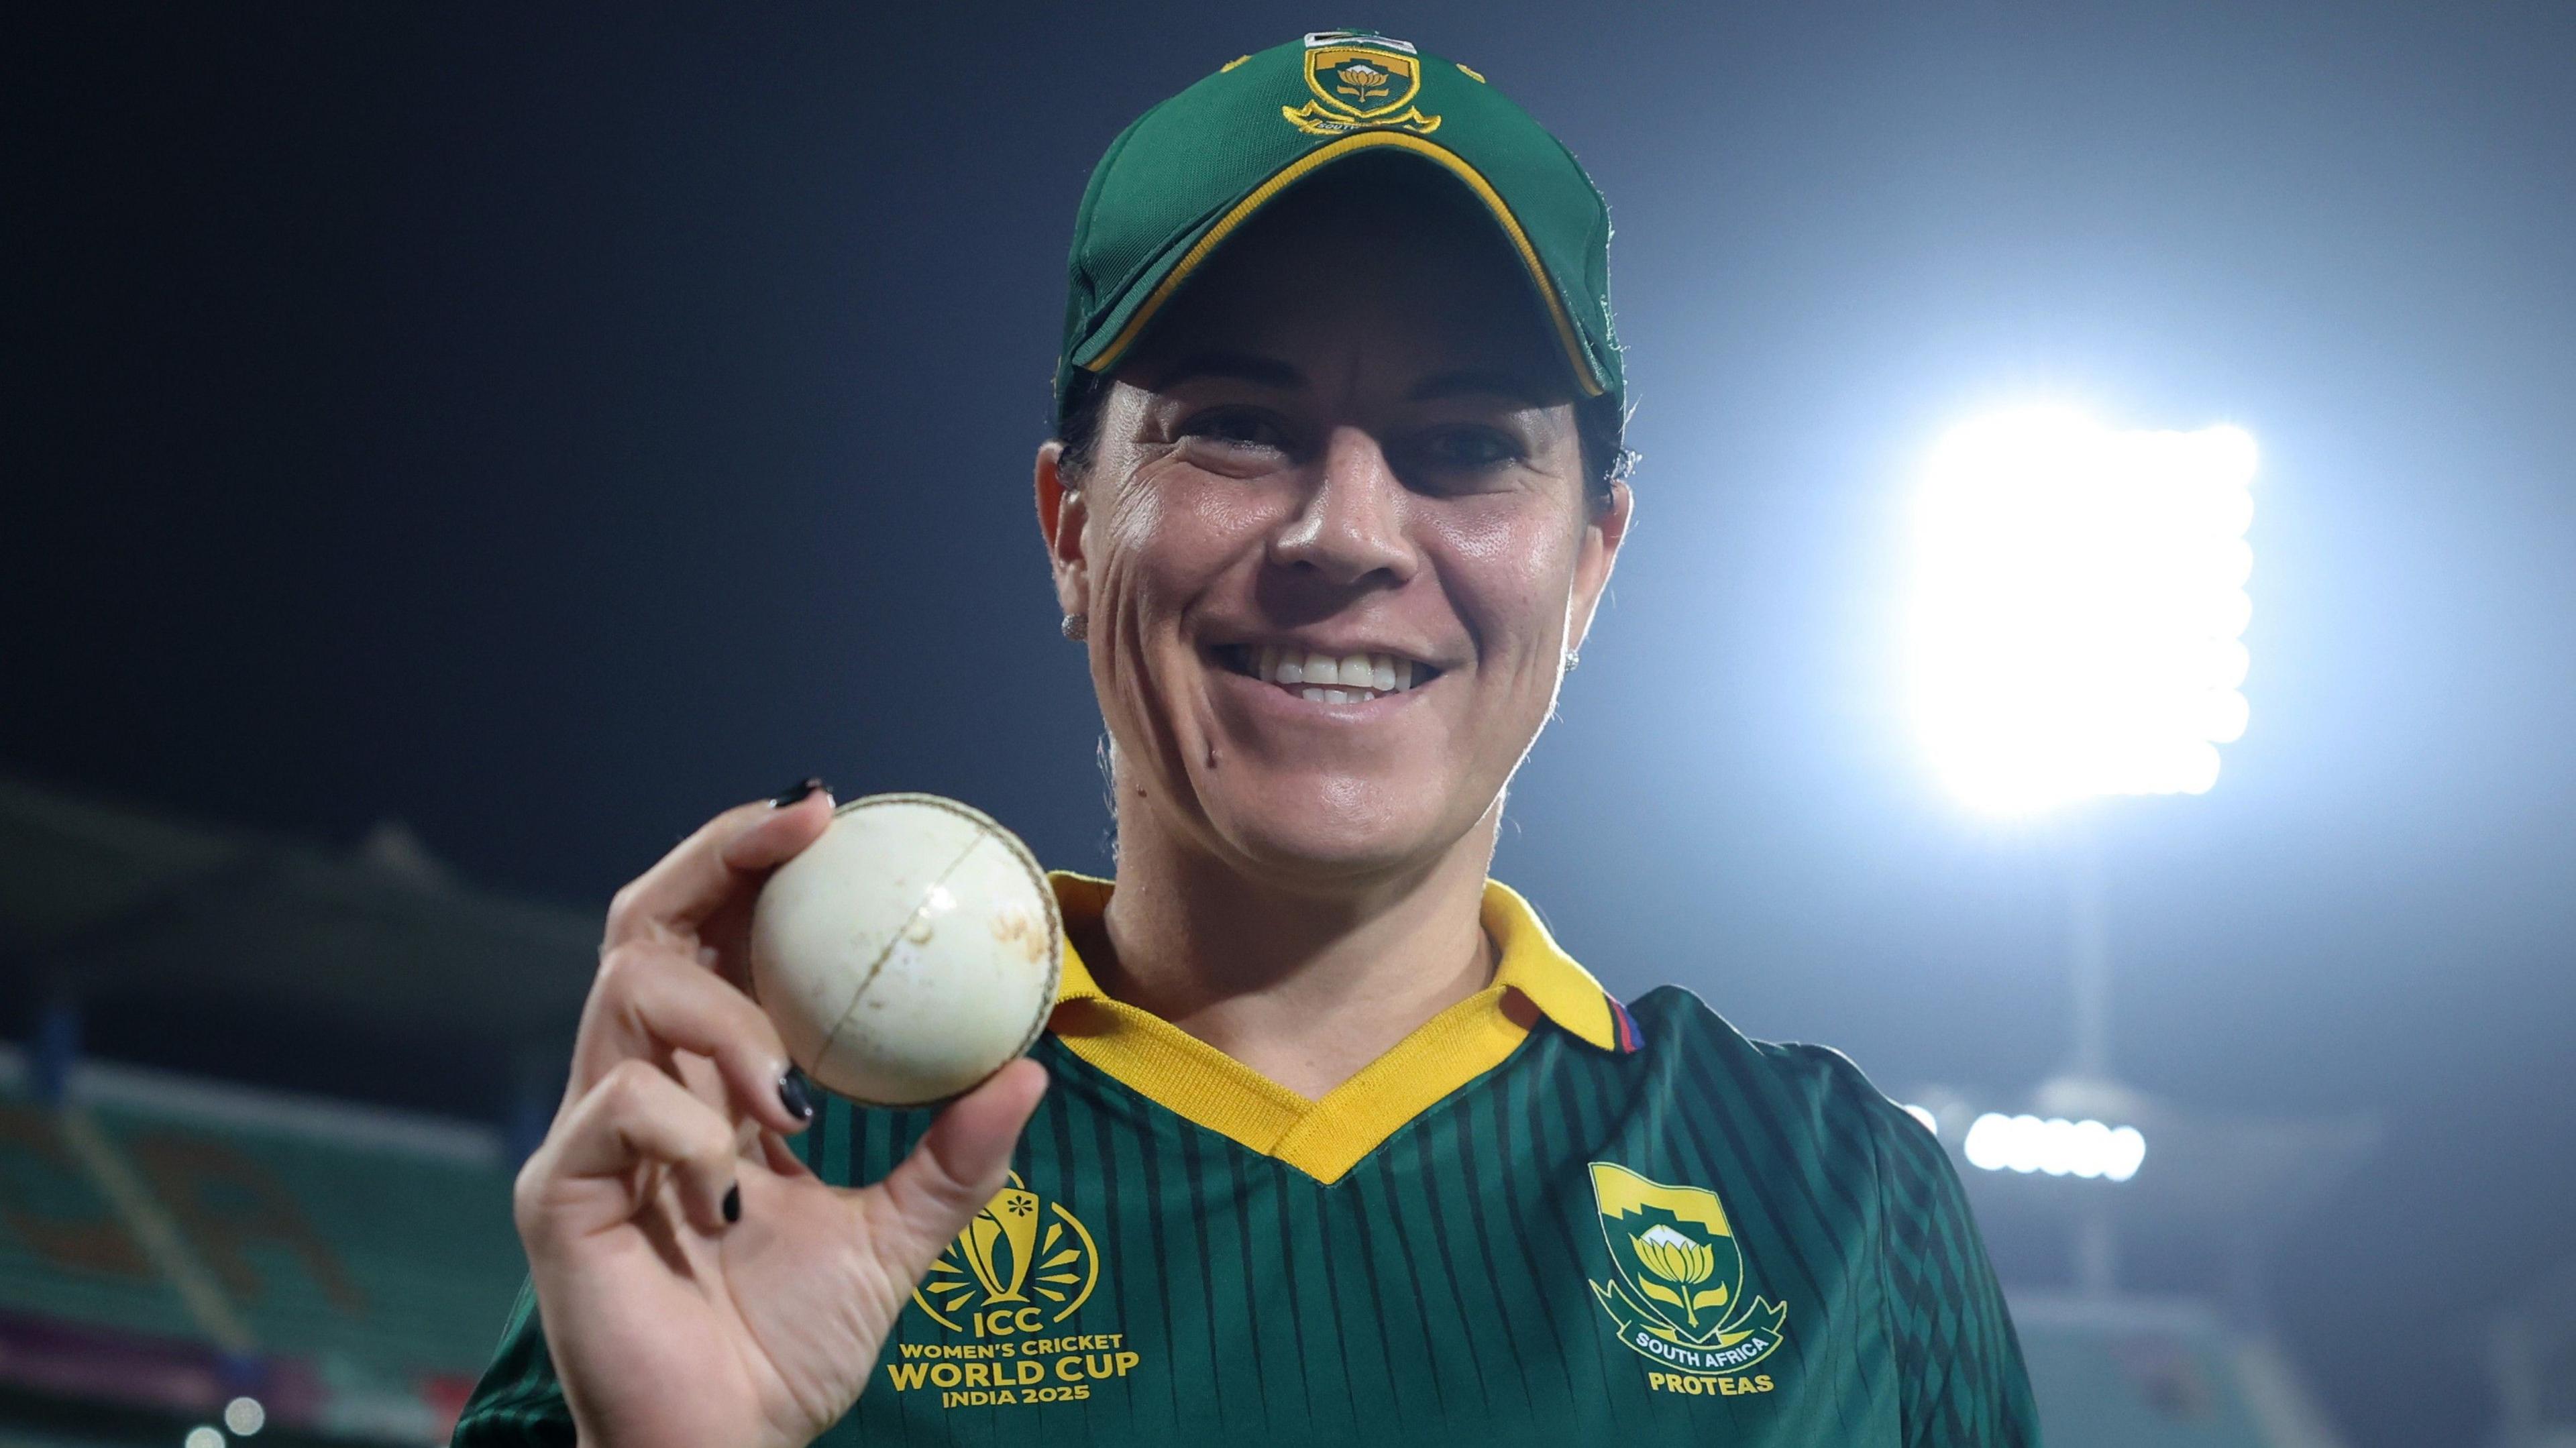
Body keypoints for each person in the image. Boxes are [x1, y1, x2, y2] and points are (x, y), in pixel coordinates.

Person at [455, 30, 2037, 1448]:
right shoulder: (771, 1167)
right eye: (1237, 423)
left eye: (1467, 446)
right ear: (1071, 528)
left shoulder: (1837, 1206)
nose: (1347, 531)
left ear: (1592, 563)